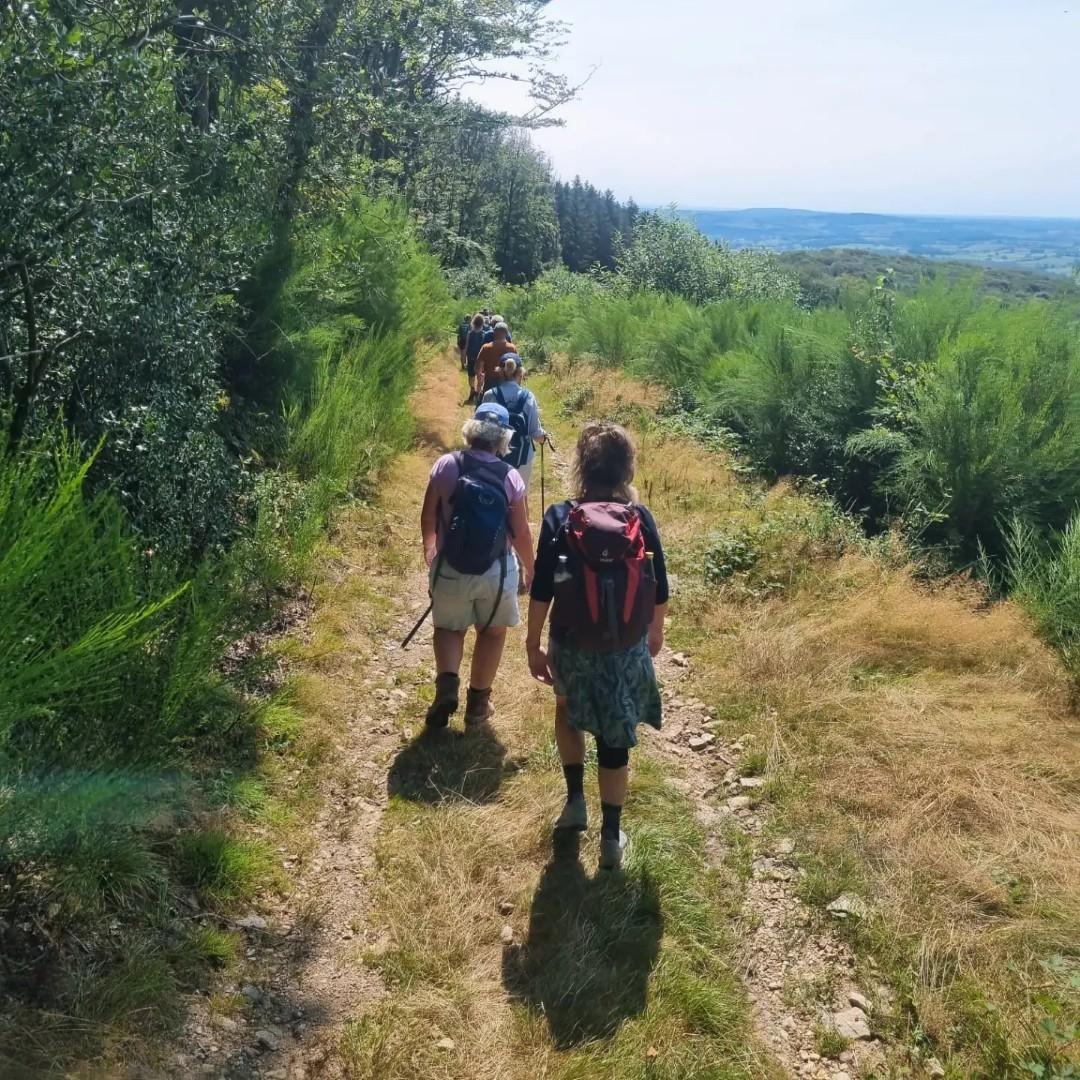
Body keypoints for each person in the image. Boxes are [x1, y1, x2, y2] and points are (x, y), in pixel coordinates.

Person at [525, 422, 669, 871]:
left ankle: (574, 804)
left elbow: (543, 589)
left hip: (572, 641)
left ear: (583, 466)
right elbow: (659, 586)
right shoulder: (639, 519)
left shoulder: (559, 516)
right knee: (614, 734)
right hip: (624, 645)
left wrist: (533, 643)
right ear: (626, 467)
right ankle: (611, 836)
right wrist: (654, 633)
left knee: (568, 711)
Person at [421, 402, 535, 729]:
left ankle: (446, 686)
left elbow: (429, 516)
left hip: (451, 565)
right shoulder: (511, 477)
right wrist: (530, 568)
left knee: (448, 628)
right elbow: (522, 531)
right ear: (503, 439)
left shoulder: (446, 465)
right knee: (493, 633)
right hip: (495, 571)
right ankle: (477, 705)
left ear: (471, 430)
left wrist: (431, 550)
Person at [482, 354, 545, 502]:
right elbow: (535, 432)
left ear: (500, 372)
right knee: (521, 499)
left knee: (495, 497)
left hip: (494, 456)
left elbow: (481, 429)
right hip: (523, 457)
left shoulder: (489, 395)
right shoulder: (528, 397)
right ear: (520, 373)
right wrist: (543, 437)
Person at [475, 322, 516, 398]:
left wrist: (479, 381)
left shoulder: (486, 347)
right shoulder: (512, 348)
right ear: (506, 333)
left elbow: (479, 367)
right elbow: (516, 366)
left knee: (488, 404)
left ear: (494, 332)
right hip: (506, 382)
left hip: (489, 382)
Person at [464, 314, 486, 403]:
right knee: (480, 375)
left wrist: (464, 357)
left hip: (471, 357)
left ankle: (472, 389)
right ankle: (477, 392)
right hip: (480, 359)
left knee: (471, 375)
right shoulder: (484, 334)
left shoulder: (470, 333)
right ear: (482, 323)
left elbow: (466, 346)